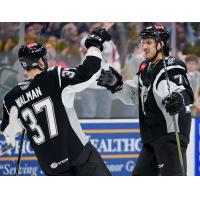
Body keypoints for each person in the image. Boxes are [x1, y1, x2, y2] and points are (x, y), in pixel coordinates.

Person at [0, 27, 111, 176]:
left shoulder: (11, 97)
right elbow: (89, 71)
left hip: (52, 167)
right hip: (79, 155)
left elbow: (9, 132)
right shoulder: (54, 77)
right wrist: (94, 45)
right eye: (44, 58)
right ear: (40, 61)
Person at [97, 24, 194, 176]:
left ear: (161, 44)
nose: (144, 46)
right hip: (152, 137)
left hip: (171, 135)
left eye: (149, 42)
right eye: (143, 42)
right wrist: (117, 85)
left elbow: (183, 90)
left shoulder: (173, 65)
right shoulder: (145, 68)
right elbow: (134, 95)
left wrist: (179, 99)